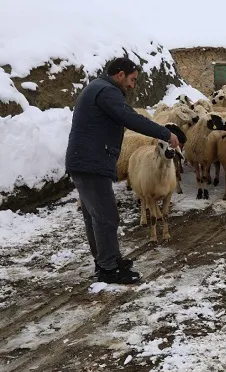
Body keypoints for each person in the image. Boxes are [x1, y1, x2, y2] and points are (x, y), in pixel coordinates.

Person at [64, 57, 180, 285]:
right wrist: (165, 133)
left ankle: (108, 260)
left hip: (85, 161)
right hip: (91, 163)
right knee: (106, 216)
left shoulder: (98, 88)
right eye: (132, 79)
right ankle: (108, 268)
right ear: (120, 74)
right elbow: (129, 118)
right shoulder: (107, 91)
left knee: (95, 216)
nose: (132, 85)